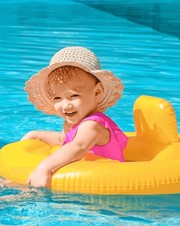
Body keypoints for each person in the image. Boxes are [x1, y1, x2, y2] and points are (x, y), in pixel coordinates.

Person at [21, 46, 128, 188]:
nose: (65, 105)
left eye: (74, 96)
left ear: (97, 92)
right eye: (57, 98)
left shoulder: (93, 125)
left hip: (103, 186)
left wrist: (44, 168)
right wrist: (36, 135)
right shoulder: (72, 123)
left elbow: (78, 146)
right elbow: (64, 140)